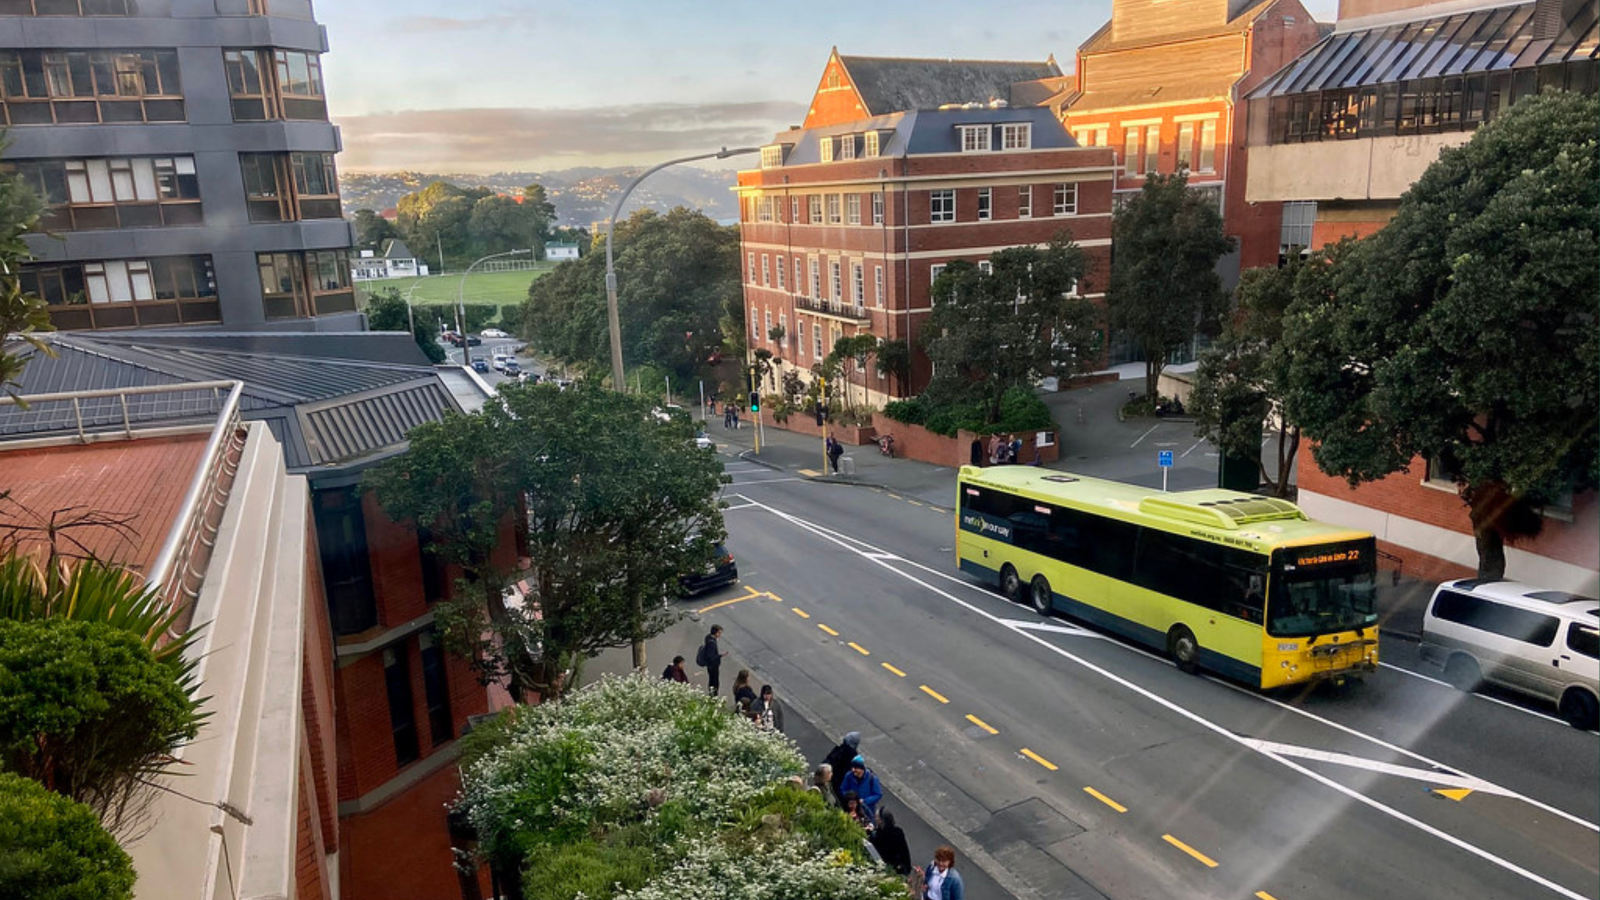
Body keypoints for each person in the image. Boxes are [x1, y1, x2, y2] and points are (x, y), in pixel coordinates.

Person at [870, 809, 912, 877]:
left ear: (881, 820)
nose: (875, 818)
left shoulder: (886, 834)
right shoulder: (895, 831)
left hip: (893, 867)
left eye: (877, 816)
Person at [840, 755, 883, 820]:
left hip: (868, 811)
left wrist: (865, 801)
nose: (853, 770)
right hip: (852, 810)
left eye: (856, 768)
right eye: (852, 767)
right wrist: (850, 799)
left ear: (861, 768)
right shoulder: (848, 776)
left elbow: (878, 794)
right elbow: (843, 789)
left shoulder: (872, 778)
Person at [823, 732, 861, 800]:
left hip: (833, 778)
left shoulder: (840, 750)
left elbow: (828, 760)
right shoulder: (854, 757)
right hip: (840, 783)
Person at [699, 625, 727, 695]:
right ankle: (713, 695)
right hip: (713, 666)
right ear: (716, 633)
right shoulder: (712, 643)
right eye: (719, 633)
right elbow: (711, 656)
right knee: (714, 682)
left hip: (710, 665)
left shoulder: (708, 637)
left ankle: (712, 693)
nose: (720, 635)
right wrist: (720, 655)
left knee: (712, 680)